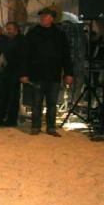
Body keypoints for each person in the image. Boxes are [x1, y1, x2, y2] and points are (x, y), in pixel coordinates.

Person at [20, 7, 73, 137]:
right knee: (36, 103)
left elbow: (66, 55)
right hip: (36, 75)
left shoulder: (59, 35)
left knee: (52, 103)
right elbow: (25, 55)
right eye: (42, 16)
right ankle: (35, 126)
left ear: (52, 18)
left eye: (46, 16)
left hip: (53, 75)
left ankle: (50, 127)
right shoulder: (32, 33)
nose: (43, 18)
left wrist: (68, 73)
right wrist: (24, 73)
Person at [0, 21, 25, 126]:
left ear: (16, 29)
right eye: (7, 29)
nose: (8, 31)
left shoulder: (21, 41)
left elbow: (23, 58)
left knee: (13, 98)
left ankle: (11, 120)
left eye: (10, 29)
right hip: (4, 72)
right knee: (2, 96)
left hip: (15, 73)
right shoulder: (6, 40)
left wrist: (22, 73)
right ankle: (0, 117)